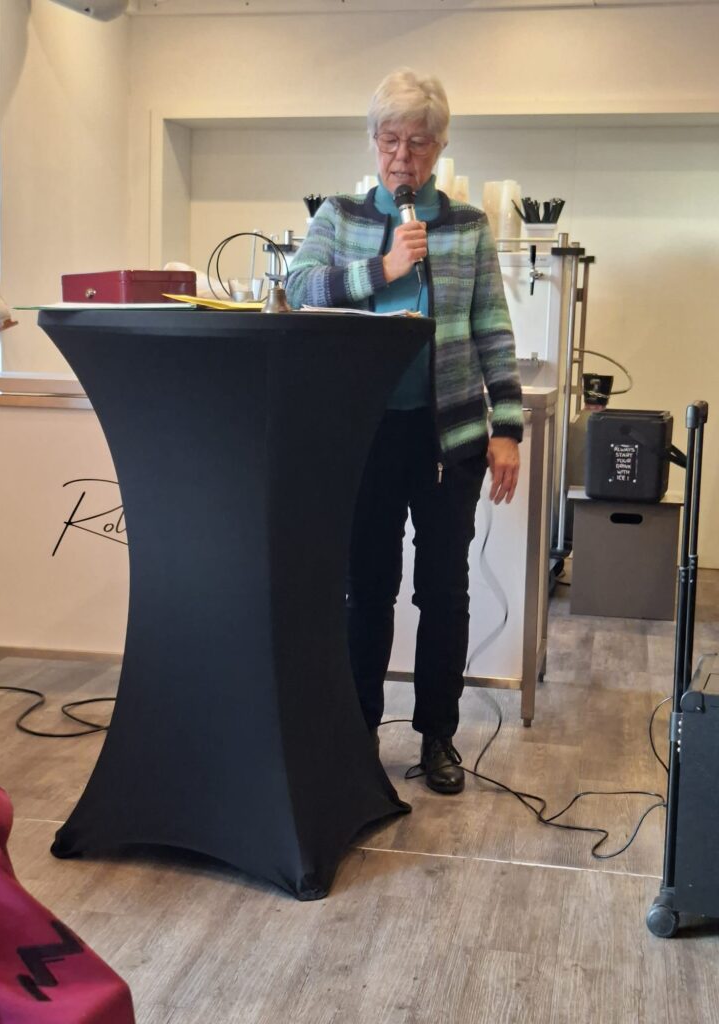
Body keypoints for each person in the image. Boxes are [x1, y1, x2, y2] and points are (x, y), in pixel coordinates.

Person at [286, 68, 523, 795]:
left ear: (439, 148)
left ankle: (438, 737)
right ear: (373, 143)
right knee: (367, 590)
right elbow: (299, 289)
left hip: (449, 439)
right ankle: (357, 730)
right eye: (389, 140)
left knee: (443, 593)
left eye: (418, 143)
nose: (402, 157)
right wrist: (383, 266)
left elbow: (492, 329)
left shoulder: (467, 227)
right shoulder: (340, 218)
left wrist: (508, 427)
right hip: (364, 436)